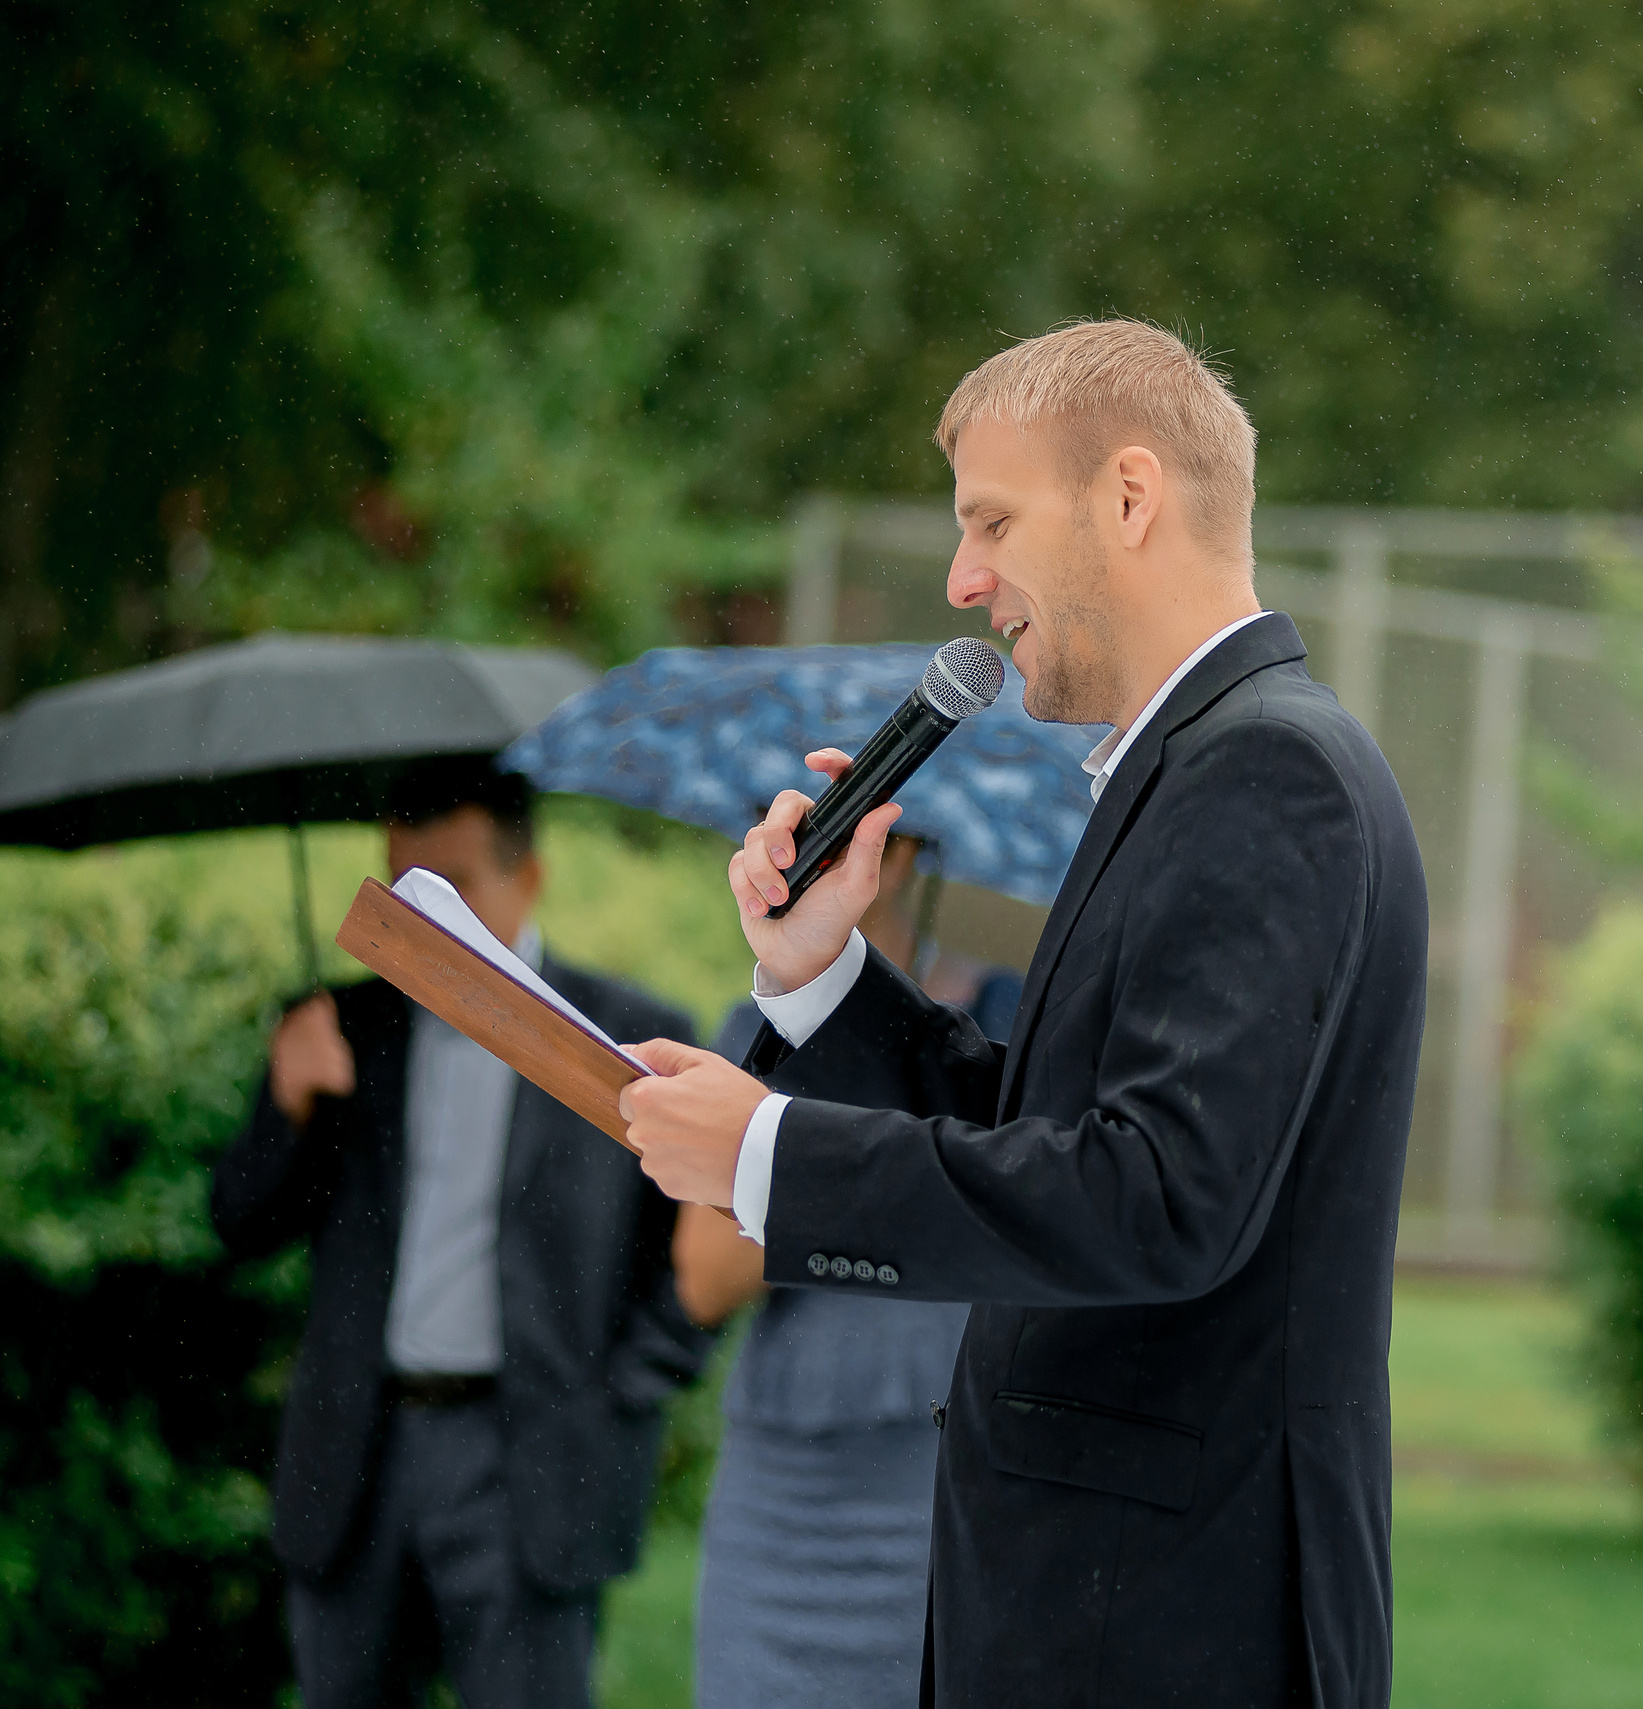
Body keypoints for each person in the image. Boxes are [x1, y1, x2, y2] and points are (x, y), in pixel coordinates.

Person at [619, 318, 1431, 1707]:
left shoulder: (1264, 776)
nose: (964, 577)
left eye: (992, 520)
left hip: (1170, 1628)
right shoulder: (1194, 766)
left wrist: (769, 1154)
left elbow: (1157, 1196)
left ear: (1128, 497)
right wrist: (824, 978)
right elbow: (1056, 1127)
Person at [212, 759, 711, 1709]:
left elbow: (685, 1256)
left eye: (458, 888)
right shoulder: (341, 1027)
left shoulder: (630, 1040)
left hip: (533, 1458)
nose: (431, 920)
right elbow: (239, 1222)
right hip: (359, 1452)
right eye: (409, 889)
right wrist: (286, 1105)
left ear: (530, 878)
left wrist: (625, 1388)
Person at [674, 833, 998, 1709]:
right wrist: (824, 1133)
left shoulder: (1003, 1025)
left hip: (943, 1472)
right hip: (787, 1485)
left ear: (901, 858)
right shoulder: (759, 1030)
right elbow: (703, 1277)